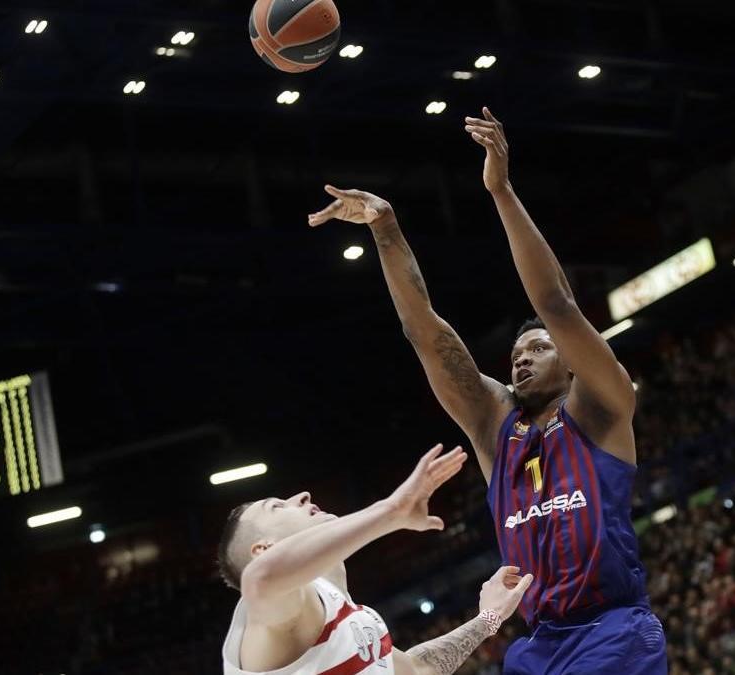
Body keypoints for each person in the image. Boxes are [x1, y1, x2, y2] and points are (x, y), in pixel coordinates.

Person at [306, 106, 666, 674]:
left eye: (539, 350)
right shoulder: (496, 428)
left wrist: (500, 190)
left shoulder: (601, 407)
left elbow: (556, 304)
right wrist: (386, 229)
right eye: (516, 354)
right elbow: (423, 329)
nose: (522, 359)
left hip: (612, 628)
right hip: (533, 643)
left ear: (572, 364)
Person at [217, 444, 533, 674]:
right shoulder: (274, 614)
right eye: (276, 507)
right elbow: (259, 579)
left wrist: (488, 619)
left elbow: (416, 668)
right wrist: (390, 511)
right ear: (264, 549)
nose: (301, 496)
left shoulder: (339, 603)